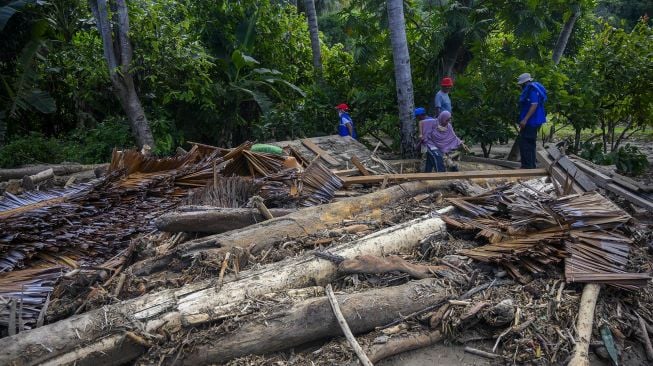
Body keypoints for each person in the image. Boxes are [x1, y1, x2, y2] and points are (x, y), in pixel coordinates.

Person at [517, 73, 547, 169]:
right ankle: (529, 165)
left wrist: (525, 120)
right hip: (533, 121)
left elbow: (534, 105)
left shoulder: (532, 89)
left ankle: (528, 166)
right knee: (528, 143)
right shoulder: (533, 88)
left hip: (531, 121)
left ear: (524, 83)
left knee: (526, 143)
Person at [415, 107, 447, 172]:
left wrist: (418, 145)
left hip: (429, 144)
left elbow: (422, 137)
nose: (416, 118)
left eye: (417, 116)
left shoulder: (423, 122)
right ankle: (427, 172)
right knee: (428, 159)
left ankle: (426, 173)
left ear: (420, 115)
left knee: (426, 158)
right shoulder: (433, 120)